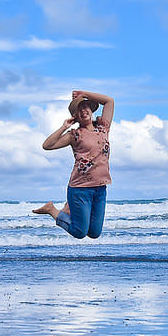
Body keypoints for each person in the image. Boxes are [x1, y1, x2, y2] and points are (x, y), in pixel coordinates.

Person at [33, 90, 114, 239]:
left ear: (91, 108)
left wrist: (84, 94)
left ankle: (69, 208)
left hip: (100, 188)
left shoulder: (103, 128)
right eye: (79, 110)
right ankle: (52, 209)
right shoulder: (74, 135)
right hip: (80, 189)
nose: (84, 111)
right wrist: (64, 127)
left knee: (94, 233)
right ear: (75, 116)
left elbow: (109, 101)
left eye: (86, 107)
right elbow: (47, 145)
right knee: (79, 232)